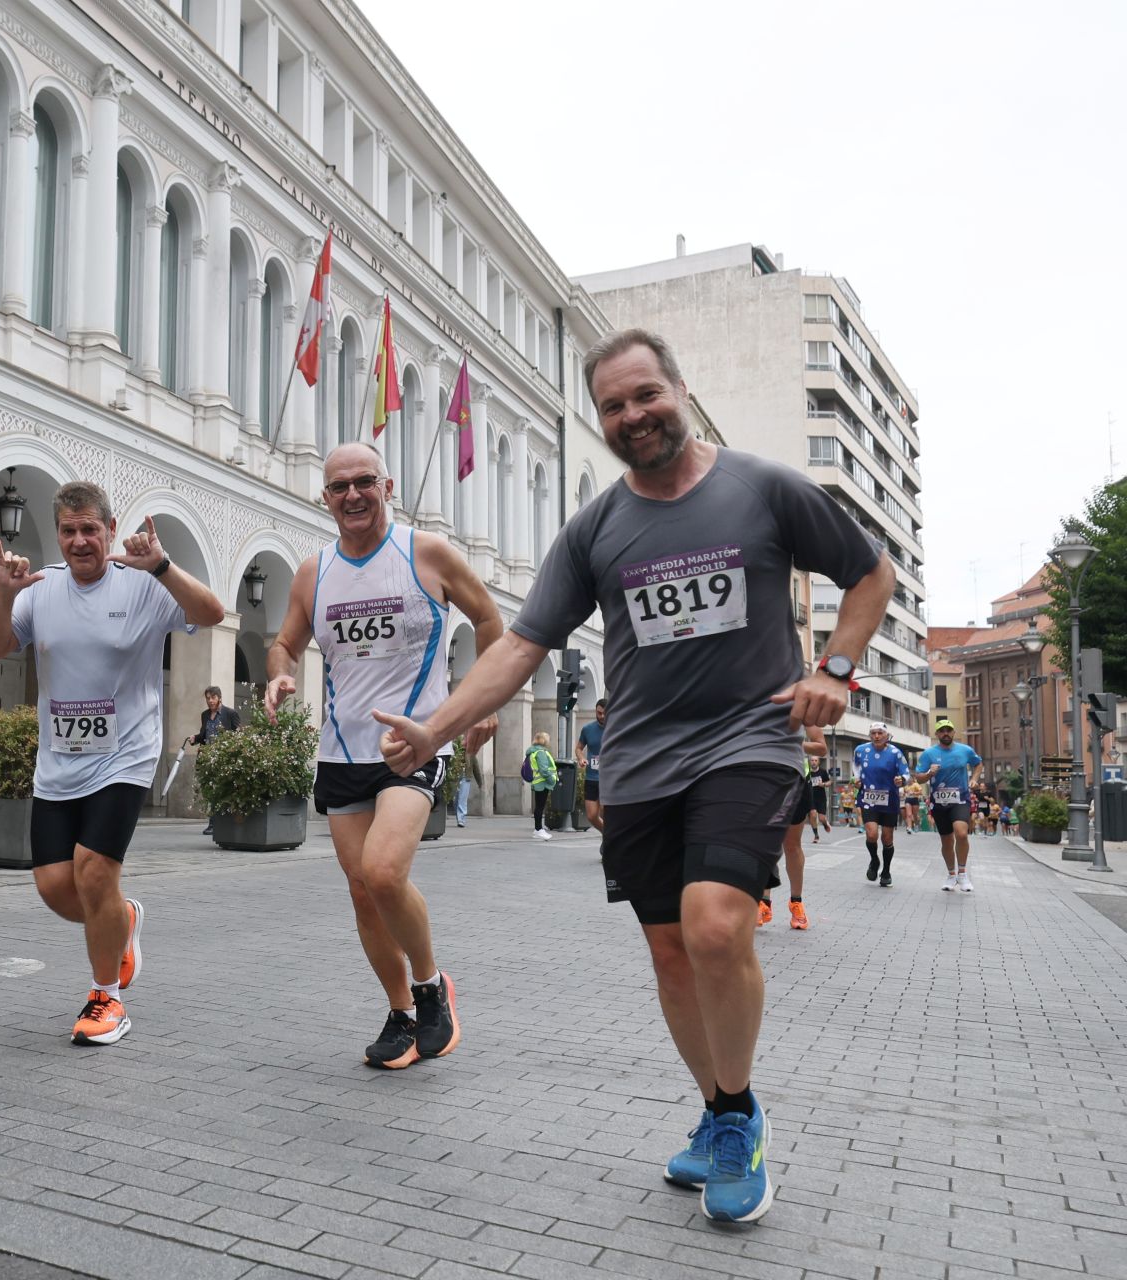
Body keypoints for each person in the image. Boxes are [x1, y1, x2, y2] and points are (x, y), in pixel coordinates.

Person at [371, 329, 893, 1224]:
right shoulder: (597, 529)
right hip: (642, 762)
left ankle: (736, 1123)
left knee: (717, 927)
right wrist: (436, 730)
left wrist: (835, 672)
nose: (632, 415)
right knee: (670, 953)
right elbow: (522, 649)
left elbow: (870, 574)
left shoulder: (763, 488)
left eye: (645, 395)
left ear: (680, 391)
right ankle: (721, 1107)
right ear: (599, 420)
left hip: (749, 740)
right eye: (612, 406)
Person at [263, 441, 504, 1072]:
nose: (353, 496)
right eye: (339, 487)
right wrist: (280, 675)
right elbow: (284, 642)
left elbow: (490, 622)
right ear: (326, 498)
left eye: (364, 482)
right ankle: (400, 1013)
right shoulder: (314, 571)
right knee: (362, 891)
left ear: (387, 485)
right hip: (342, 749)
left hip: (413, 740)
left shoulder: (425, 553)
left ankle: (431, 988)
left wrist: (480, 703)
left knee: (384, 871)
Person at [0, 483, 224, 1046]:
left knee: (93, 870)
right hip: (59, 762)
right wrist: (1, 593)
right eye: (69, 530)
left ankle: (105, 998)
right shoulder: (40, 590)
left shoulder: (141, 584)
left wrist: (162, 565)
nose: (79, 541)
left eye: (90, 529)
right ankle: (125, 920)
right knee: (56, 887)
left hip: (125, 756)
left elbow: (210, 612)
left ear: (110, 531)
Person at [759, 726, 827, 929]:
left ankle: (796, 902)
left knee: (791, 846)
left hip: (794, 779)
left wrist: (796, 743)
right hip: (762, 780)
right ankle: (764, 902)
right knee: (764, 843)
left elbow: (821, 748)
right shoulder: (751, 699)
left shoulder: (800, 700)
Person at [854, 723, 910, 888]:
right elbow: (856, 770)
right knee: (871, 835)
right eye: (873, 733)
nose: (877, 736)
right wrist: (855, 780)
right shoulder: (860, 750)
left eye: (880, 733)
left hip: (889, 799)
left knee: (887, 838)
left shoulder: (895, 753)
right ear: (869, 735)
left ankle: (886, 871)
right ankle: (874, 860)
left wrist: (902, 780)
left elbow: (906, 772)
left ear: (886, 735)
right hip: (868, 797)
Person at [187, 686, 240, 835]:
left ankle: (216, 823)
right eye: (208, 698)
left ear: (219, 698)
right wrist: (195, 739)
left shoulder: (230, 714)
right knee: (210, 792)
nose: (210, 701)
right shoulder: (205, 715)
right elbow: (204, 735)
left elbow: (238, 735)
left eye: (213, 698)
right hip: (207, 758)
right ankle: (214, 822)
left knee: (220, 791)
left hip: (223, 759)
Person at [577, 699, 608, 833]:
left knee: (606, 814)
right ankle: (608, 836)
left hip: (608, 779)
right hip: (591, 778)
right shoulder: (587, 729)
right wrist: (581, 758)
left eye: (604, 714)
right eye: (599, 713)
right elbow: (578, 748)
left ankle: (609, 842)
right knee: (591, 816)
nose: (601, 716)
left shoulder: (616, 729)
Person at [526, 731, 559, 840]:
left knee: (539, 806)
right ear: (544, 740)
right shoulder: (541, 752)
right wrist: (552, 779)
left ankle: (538, 829)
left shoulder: (533, 751)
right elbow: (544, 769)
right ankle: (539, 829)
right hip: (543, 782)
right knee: (540, 806)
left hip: (538, 781)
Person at [807, 757, 832, 842]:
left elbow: (829, 782)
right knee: (813, 814)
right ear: (810, 762)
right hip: (810, 798)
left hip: (821, 798)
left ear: (818, 762)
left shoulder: (823, 771)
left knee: (821, 818)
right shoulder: (807, 772)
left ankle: (825, 824)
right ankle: (816, 836)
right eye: (812, 760)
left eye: (815, 760)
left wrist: (824, 784)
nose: (813, 762)